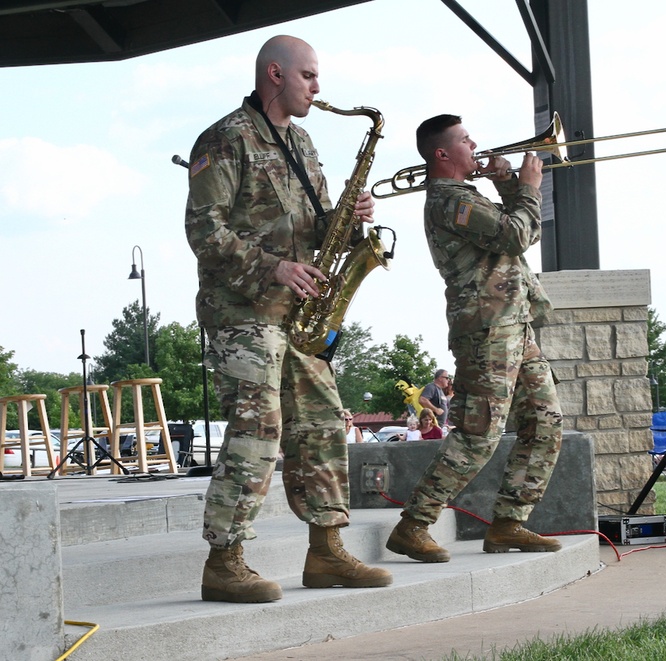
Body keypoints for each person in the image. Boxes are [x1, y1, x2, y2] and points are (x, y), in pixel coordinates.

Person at [184, 35, 391, 603]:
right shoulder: (225, 139)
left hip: (299, 316)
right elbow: (205, 232)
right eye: (309, 76)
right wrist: (273, 268)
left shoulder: (301, 140)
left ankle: (326, 552)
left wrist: (350, 218)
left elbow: (319, 231)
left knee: (323, 425)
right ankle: (224, 561)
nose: (318, 88)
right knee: (258, 432)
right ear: (275, 74)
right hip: (242, 312)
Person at [386, 114, 563, 564]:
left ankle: (508, 523)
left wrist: (508, 183)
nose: (476, 145)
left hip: (514, 326)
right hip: (487, 332)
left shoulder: (468, 196)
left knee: (545, 423)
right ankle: (415, 524)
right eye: (466, 140)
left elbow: (518, 234)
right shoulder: (450, 202)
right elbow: (517, 232)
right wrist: (527, 185)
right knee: (478, 434)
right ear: (442, 154)